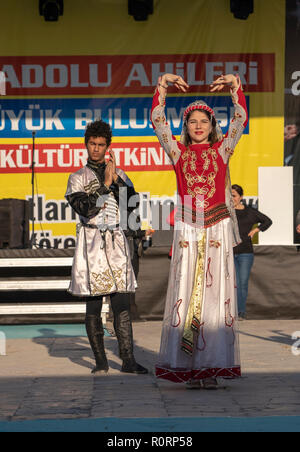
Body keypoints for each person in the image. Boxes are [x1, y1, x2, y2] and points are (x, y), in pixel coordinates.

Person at [151, 73, 248, 389]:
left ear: (211, 125)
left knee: (214, 300)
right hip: (189, 230)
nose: (197, 125)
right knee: (186, 296)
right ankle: (189, 366)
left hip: (217, 229)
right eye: (191, 121)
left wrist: (236, 87)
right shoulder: (178, 153)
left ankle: (210, 366)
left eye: (203, 121)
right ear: (186, 126)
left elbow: (240, 118)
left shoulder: (222, 150)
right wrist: (162, 87)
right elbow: (158, 122)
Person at [65, 119, 148, 375]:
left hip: (117, 242)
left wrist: (116, 183)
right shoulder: (77, 177)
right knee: (93, 303)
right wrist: (104, 185)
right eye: (92, 144)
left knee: (121, 303)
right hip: (91, 244)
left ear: (108, 146)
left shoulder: (121, 175)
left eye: (101, 145)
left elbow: (132, 209)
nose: (96, 149)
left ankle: (128, 360)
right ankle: (101, 361)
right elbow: (84, 207)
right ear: (86, 145)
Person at [232, 184, 272, 319]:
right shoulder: (227, 213)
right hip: (229, 252)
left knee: (242, 283)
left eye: (234, 196)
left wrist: (256, 230)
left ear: (241, 197)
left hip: (245, 253)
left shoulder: (250, 212)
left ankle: (241, 312)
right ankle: (232, 312)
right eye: (229, 196)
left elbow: (267, 221)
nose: (232, 199)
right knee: (234, 283)